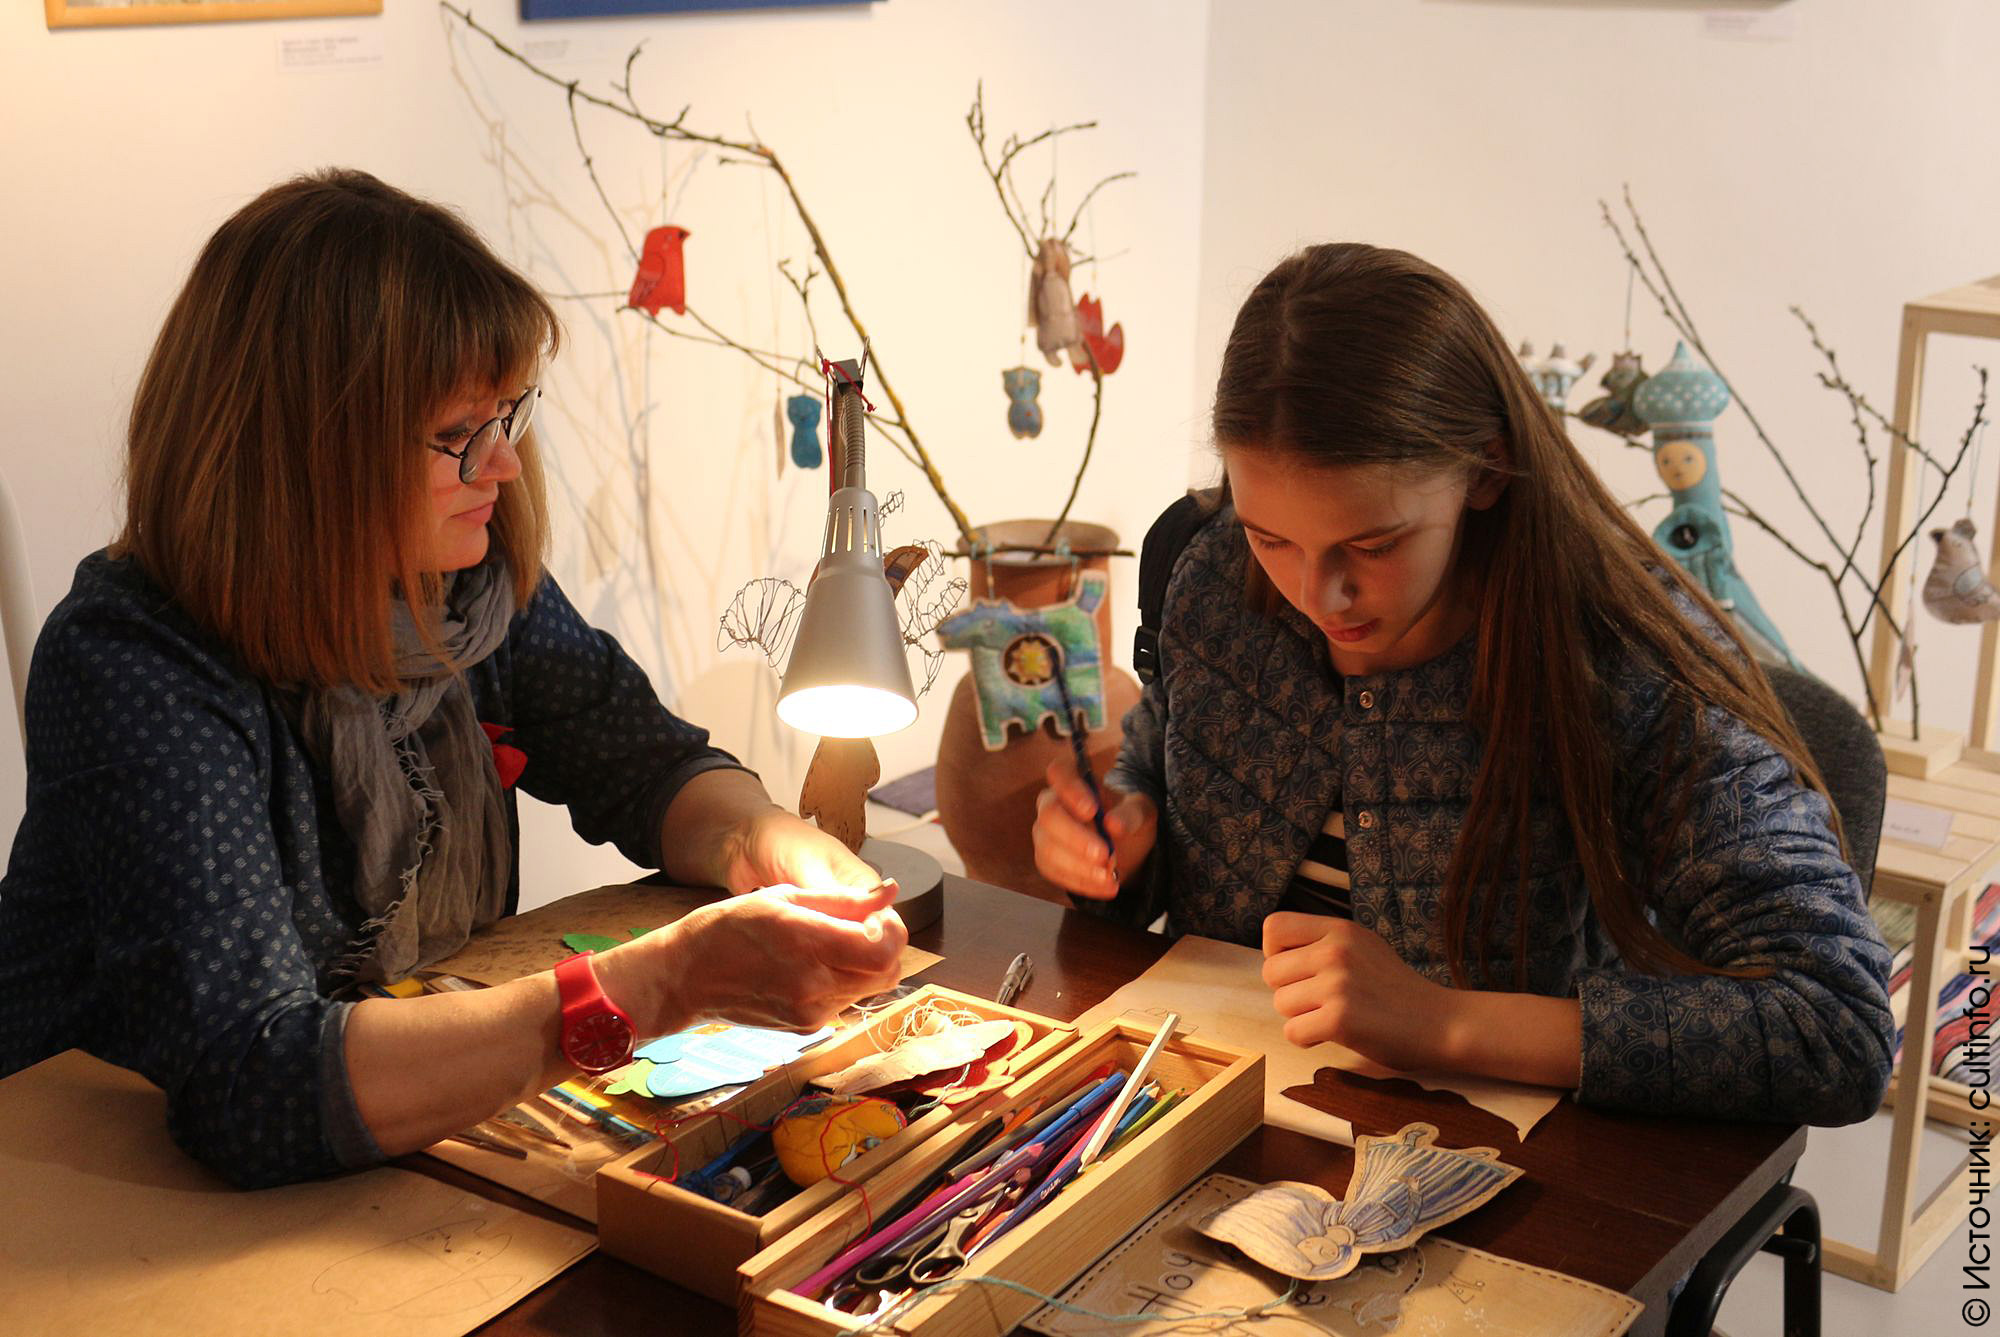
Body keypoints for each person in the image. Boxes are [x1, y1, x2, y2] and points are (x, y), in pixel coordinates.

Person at [0, 169, 908, 1187]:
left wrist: (762, 839)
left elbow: (645, 764)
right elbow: (253, 1078)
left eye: (506, 416)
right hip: (87, 1187)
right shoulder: (135, 664)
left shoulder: (462, 589)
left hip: (353, 1163)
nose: (502, 465)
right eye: (455, 436)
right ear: (304, 454)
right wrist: (654, 985)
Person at [1032, 243, 1893, 1126]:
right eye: (1272, 537)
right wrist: (1120, 843)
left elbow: (1837, 1027)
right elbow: (1159, 782)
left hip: (1516, 1163)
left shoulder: (1619, 655)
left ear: (1483, 469)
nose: (1317, 595)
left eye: (1373, 545)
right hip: (1201, 1107)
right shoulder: (1216, 575)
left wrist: (1444, 1023)